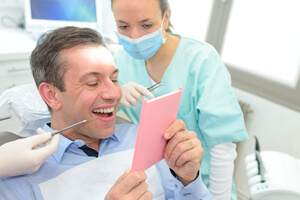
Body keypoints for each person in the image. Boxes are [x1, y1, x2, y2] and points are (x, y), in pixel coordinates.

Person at [0, 26, 212, 199]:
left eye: (113, 79)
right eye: (92, 83)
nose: (114, 93)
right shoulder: (18, 180)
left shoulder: (143, 138)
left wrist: (188, 180)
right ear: (52, 95)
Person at [111, 0, 249, 199]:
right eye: (123, 26)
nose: (135, 37)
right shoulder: (121, 61)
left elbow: (223, 147)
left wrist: (218, 197)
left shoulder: (201, 60)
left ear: (166, 17)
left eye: (146, 25)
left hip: (205, 185)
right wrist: (117, 96)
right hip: (156, 185)